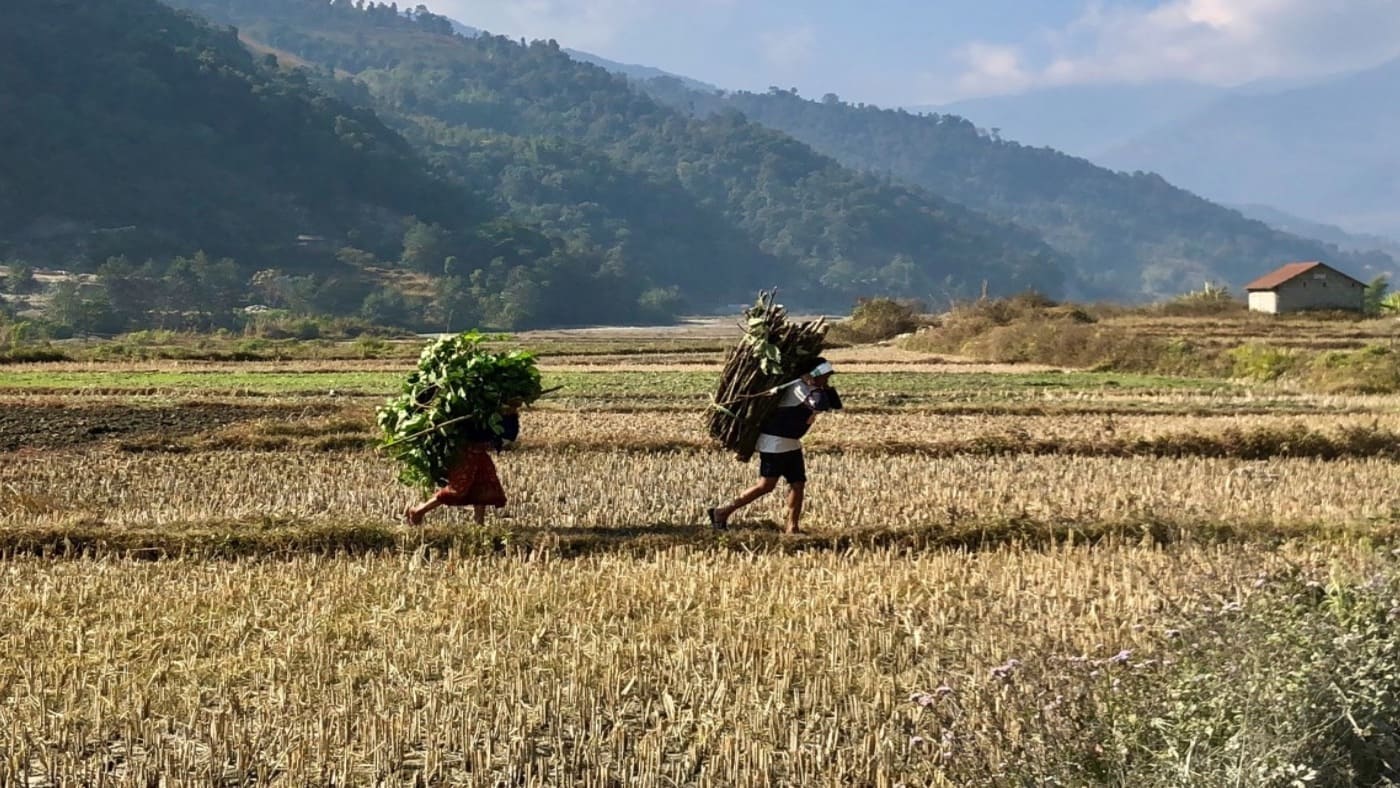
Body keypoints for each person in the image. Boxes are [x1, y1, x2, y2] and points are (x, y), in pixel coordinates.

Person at [708, 358, 842, 533]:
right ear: (814, 375)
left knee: (798, 484)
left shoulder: (813, 389)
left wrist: (823, 386)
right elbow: (819, 404)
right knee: (766, 485)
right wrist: (814, 385)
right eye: (825, 376)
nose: (827, 380)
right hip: (775, 442)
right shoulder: (798, 388)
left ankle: (792, 527)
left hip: (791, 443)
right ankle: (721, 512)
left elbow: (836, 404)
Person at [403, 403, 521, 526]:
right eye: (508, 407)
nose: (510, 410)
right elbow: (467, 432)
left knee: (484, 485)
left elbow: (508, 436)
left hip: (479, 453)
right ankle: (418, 511)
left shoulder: (507, 419)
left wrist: (509, 415)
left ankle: (479, 523)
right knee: (457, 489)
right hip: (464, 453)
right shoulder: (478, 410)